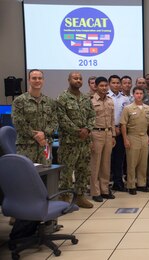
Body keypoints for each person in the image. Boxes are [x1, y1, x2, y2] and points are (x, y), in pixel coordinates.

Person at [57, 72, 95, 208]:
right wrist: (77, 131)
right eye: (75, 78)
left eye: (80, 78)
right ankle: (64, 198)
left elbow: (92, 115)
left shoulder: (85, 98)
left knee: (83, 170)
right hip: (69, 143)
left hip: (84, 142)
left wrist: (87, 129)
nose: (78, 80)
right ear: (69, 80)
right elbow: (62, 118)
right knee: (67, 172)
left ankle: (80, 196)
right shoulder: (62, 97)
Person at [12, 69, 57, 164]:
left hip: (46, 144)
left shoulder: (50, 102)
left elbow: (54, 122)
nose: (37, 80)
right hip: (26, 146)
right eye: (34, 78)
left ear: (43, 80)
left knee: (46, 173)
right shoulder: (19, 101)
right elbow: (18, 122)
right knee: (25, 175)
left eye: (40, 78)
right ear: (29, 80)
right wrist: (36, 136)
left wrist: (44, 134)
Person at [120, 87, 149, 195]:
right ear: (133, 94)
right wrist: (125, 139)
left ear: (143, 95)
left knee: (143, 163)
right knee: (132, 163)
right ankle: (131, 185)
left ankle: (141, 184)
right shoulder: (128, 108)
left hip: (144, 137)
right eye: (137, 93)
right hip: (132, 136)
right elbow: (123, 124)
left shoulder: (148, 108)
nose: (139, 95)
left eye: (141, 93)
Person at [89, 77, 116, 202]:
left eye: (106, 85)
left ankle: (105, 189)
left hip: (108, 133)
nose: (104, 88)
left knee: (106, 163)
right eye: (101, 85)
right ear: (96, 86)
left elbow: (112, 119)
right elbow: (87, 120)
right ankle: (95, 192)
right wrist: (89, 139)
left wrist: (113, 135)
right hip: (96, 133)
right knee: (95, 164)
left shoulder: (110, 100)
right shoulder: (90, 101)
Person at [108, 75, 130, 192]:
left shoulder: (125, 99)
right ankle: (105, 184)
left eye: (118, 83)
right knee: (106, 159)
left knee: (119, 158)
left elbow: (126, 117)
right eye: (113, 83)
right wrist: (113, 129)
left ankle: (118, 182)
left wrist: (120, 128)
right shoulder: (106, 97)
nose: (116, 85)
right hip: (108, 131)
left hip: (121, 131)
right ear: (109, 84)